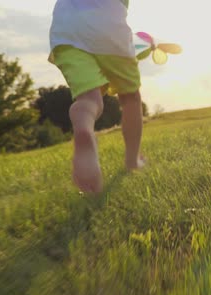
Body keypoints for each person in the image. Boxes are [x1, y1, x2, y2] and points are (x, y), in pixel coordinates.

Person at [49, 0, 144, 193]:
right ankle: (132, 160)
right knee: (130, 99)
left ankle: (84, 127)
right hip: (109, 29)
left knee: (89, 100)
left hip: (66, 30)